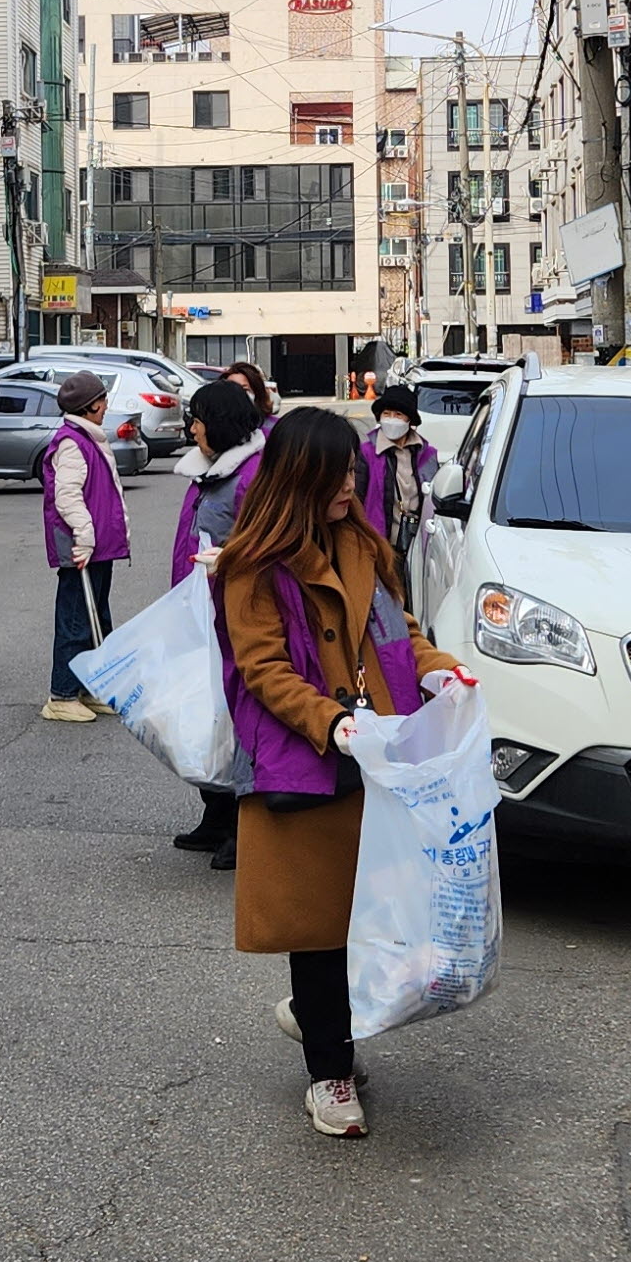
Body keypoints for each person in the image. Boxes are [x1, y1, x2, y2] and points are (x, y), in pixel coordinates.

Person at [216, 407, 471, 1139]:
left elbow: (401, 634)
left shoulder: (364, 545)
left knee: (372, 925)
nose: (350, 485)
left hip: (381, 758)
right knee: (320, 929)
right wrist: (329, 720)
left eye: (353, 472)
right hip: (306, 765)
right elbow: (261, 667)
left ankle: (317, 1022)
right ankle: (329, 1072)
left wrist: (441, 672)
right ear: (299, 478)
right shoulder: (251, 566)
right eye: (336, 475)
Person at [164, 376, 267, 867]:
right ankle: (217, 813)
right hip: (201, 610)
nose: (192, 429)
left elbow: (260, 546)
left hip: (235, 615)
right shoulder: (207, 470)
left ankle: (245, 825)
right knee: (206, 719)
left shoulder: (251, 475)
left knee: (238, 722)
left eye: (198, 420)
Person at [36, 369, 132, 723]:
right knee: (76, 619)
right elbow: (67, 496)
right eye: (102, 401)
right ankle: (61, 695)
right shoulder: (72, 443)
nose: (106, 406)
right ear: (89, 406)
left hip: (95, 545)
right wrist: (85, 534)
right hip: (82, 546)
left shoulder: (85, 438)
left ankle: (88, 688)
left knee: (96, 618)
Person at [360, 384, 440, 562]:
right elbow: (356, 498)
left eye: (398, 415)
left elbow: (435, 497)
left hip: (418, 545)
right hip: (377, 546)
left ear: (409, 420)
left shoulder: (427, 455)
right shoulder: (366, 453)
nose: (391, 419)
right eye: (386, 414)